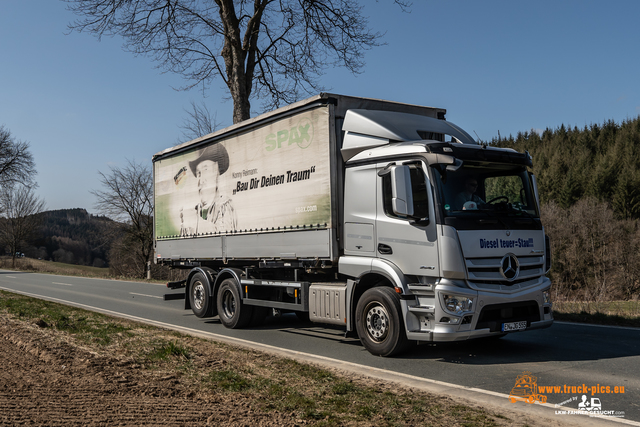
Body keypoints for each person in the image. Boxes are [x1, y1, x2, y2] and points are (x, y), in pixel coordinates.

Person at [180, 143, 237, 235]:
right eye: (198, 174)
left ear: (216, 172)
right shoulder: (196, 210)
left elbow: (223, 237)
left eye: (206, 170)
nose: (201, 180)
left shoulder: (224, 205)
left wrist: (194, 221)